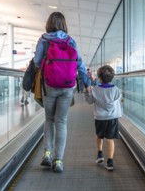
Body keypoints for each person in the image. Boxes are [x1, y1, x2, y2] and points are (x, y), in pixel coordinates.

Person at [33, 12, 90, 173]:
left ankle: (47, 154)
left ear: (49, 23)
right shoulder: (70, 40)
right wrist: (87, 83)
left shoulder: (44, 40)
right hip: (67, 87)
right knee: (61, 122)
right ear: (64, 24)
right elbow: (79, 64)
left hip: (49, 85)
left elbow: (37, 61)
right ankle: (58, 160)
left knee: (49, 119)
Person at [84, 65, 122, 171]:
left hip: (100, 118)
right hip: (113, 117)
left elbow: (89, 101)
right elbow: (118, 101)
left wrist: (86, 93)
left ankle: (100, 154)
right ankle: (110, 162)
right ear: (112, 78)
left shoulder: (95, 90)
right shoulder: (117, 90)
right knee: (110, 139)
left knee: (99, 136)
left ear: (99, 78)